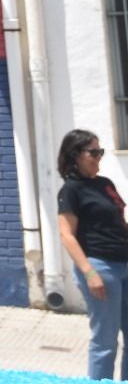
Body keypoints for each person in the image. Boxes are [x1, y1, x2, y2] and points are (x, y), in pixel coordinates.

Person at [58, 128, 128, 379]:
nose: (99, 157)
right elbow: (67, 235)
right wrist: (89, 273)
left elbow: (119, 222)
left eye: (101, 151)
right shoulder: (71, 190)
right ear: (75, 155)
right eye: (93, 152)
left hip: (125, 262)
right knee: (105, 339)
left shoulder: (105, 184)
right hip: (100, 267)